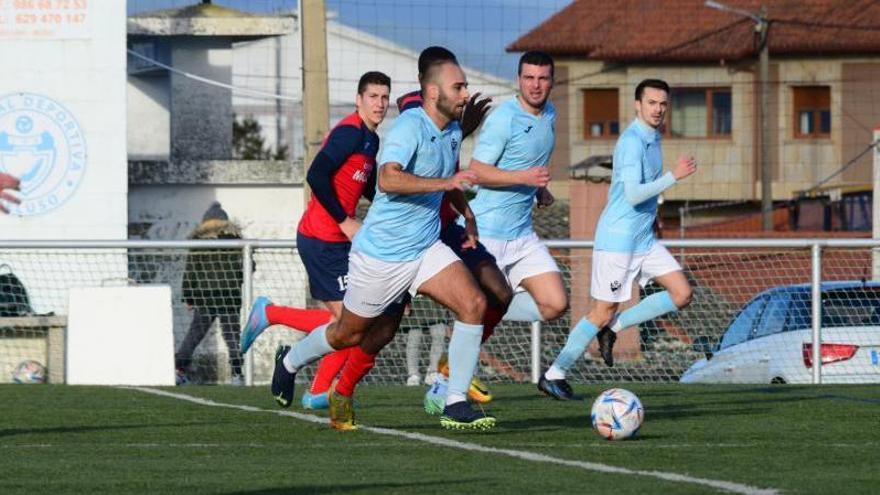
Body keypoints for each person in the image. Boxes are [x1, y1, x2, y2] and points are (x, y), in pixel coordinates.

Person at [259, 48, 497, 431]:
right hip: (381, 256)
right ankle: (289, 362)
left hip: (423, 248)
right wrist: (447, 183)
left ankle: (454, 402)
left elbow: (446, 178)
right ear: (433, 92)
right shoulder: (407, 128)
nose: (466, 92)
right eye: (459, 86)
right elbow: (388, 178)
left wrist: (466, 213)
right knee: (349, 332)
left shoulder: (452, 130)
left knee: (474, 303)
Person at [239, 71, 392, 411]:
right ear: (358, 99)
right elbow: (316, 175)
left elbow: (367, 186)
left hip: (339, 242)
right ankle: (314, 382)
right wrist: (344, 220)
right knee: (355, 325)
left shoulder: (371, 140)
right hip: (323, 240)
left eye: (385, 97)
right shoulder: (350, 133)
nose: (380, 104)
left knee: (352, 324)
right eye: (373, 97)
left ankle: (278, 325)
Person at [538, 78, 697, 400]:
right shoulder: (632, 142)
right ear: (638, 105)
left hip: (643, 239)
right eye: (652, 103)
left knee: (681, 293)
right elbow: (634, 193)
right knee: (601, 311)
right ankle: (554, 373)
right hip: (618, 239)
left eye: (663, 103)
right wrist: (673, 177)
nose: (658, 109)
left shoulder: (654, 138)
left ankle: (614, 330)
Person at [464, 51, 568, 339]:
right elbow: (476, 172)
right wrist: (524, 178)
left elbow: (526, 160)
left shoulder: (549, 114)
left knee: (555, 303)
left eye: (542, 78)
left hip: (522, 235)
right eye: (529, 78)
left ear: (552, 82)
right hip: (488, 233)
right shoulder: (503, 119)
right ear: (518, 80)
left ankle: (483, 311)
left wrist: (539, 189)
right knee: (478, 309)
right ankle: (450, 372)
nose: (535, 85)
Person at [177, 201, 247, 385]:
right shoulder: (236, 240)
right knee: (233, 337)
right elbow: (248, 266)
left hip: (205, 295)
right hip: (229, 295)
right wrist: (238, 278)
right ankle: (237, 374)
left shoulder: (199, 242)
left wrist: (189, 297)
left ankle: (179, 369)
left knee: (194, 335)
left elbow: (191, 270)